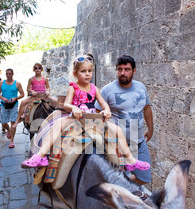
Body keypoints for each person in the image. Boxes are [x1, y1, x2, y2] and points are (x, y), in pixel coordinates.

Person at [20, 55, 150, 172]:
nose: (87, 74)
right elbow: (66, 104)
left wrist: (107, 110)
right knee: (57, 125)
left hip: (93, 120)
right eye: (83, 71)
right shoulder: (73, 88)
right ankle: (40, 156)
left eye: (89, 71)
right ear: (75, 74)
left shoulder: (95, 88)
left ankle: (130, 159)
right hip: (76, 119)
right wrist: (73, 108)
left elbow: (103, 103)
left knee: (117, 130)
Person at [95, 55, 153, 185]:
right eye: (120, 69)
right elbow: (98, 114)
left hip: (138, 141)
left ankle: (124, 186)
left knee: (144, 178)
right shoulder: (107, 90)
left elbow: (147, 109)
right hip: (115, 145)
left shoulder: (141, 87)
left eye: (127, 69)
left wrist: (150, 128)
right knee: (112, 179)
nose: (122, 73)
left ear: (134, 71)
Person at [12, 63, 50, 129]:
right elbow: (28, 89)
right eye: (36, 68)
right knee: (23, 102)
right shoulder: (31, 79)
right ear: (33, 70)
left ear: (41, 69)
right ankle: (18, 119)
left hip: (43, 96)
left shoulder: (45, 79)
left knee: (55, 102)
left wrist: (47, 91)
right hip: (34, 97)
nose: (37, 69)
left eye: (39, 68)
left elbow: (48, 87)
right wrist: (32, 91)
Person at [0, 68, 25, 148]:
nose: (8, 75)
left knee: (13, 123)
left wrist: (15, 98)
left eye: (9, 74)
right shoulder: (1, 83)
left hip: (14, 105)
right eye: (7, 74)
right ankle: (8, 130)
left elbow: (22, 94)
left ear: (12, 74)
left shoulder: (17, 83)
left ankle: (11, 141)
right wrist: (3, 98)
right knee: (4, 123)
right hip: (4, 105)